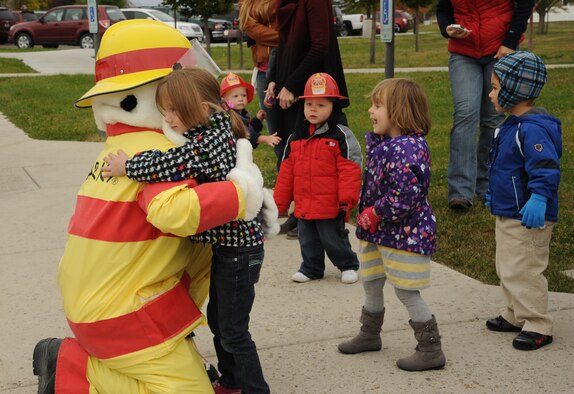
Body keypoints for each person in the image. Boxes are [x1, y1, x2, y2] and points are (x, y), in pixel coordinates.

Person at [31, 20, 264, 394]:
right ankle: (71, 369)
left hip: (101, 301)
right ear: (153, 94)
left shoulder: (118, 148)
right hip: (127, 314)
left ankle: (149, 362)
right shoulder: (156, 152)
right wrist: (242, 193)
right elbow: (176, 213)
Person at [103, 67, 274, 393]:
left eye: (173, 110)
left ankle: (254, 388)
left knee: (234, 330)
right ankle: (233, 380)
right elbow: (179, 154)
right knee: (221, 320)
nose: (167, 118)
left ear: (202, 107)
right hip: (231, 249)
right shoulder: (211, 130)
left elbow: (178, 162)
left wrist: (130, 165)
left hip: (240, 252)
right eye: (163, 110)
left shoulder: (210, 142)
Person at [338, 78, 446, 372]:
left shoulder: (407, 148)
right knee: (371, 281)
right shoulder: (388, 144)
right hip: (380, 233)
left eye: (377, 105)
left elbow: (407, 194)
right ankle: (370, 334)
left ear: (398, 112)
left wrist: (376, 212)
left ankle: (430, 347)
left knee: (406, 290)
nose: (370, 111)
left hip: (405, 235)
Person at [485, 51, 561, 351]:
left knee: (525, 268)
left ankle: (538, 323)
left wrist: (540, 198)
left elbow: (545, 167)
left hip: (528, 215)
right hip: (509, 210)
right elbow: (505, 167)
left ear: (515, 90)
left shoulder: (533, 129)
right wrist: (496, 194)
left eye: (495, 87)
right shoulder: (511, 126)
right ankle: (515, 314)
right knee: (506, 265)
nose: (490, 94)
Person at [436, 0, 535, 211]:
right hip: (463, 52)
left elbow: (525, 4)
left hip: (500, 49)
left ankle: (489, 184)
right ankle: (460, 192)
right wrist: (448, 29)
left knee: (493, 118)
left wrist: (510, 40)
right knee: (465, 113)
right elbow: (443, 8)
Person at [265, 0, 349, 237]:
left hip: (317, 88)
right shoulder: (285, 3)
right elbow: (284, 44)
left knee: (322, 158)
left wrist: (292, 84)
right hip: (292, 85)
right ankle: (301, 214)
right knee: (300, 157)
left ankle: (328, 218)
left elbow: (320, 46)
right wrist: (274, 78)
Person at [273, 72, 361, 284]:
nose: (313, 109)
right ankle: (311, 268)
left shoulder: (341, 135)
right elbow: (286, 172)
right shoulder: (296, 138)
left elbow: (351, 169)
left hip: (330, 204)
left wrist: (346, 200)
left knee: (333, 238)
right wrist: (279, 204)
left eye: (321, 105)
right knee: (307, 239)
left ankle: (348, 264)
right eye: (309, 104)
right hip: (305, 202)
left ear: (333, 107)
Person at [238, 0, 280, 139]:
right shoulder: (248, 2)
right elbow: (249, 26)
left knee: (296, 126)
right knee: (275, 130)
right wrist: (286, 39)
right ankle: (282, 160)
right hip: (264, 69)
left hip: (290, 66)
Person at [220, 72, 281, 150]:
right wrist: (265, 139)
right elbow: (248, 136)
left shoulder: (240, 113)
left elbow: (248, 127)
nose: (240, 99)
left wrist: (257, 120)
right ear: (224, 101)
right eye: (235, 96)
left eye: (243, 95)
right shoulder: (230, 117)